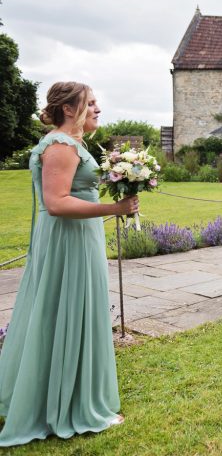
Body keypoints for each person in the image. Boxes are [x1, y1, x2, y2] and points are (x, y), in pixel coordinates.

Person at [0, 82, 139, 447]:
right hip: (68, 241)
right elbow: (57, 203)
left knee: (68, 312)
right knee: (67, 310)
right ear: (68, 109)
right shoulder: (61, 145)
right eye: (90, 103)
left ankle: (65, 396)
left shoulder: (70, 143)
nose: (97, 109)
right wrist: (114, 208)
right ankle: (67, 407)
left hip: (78, 237)